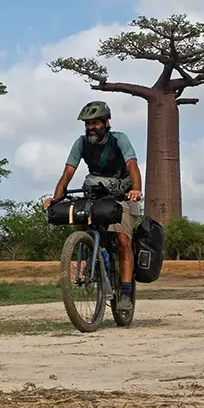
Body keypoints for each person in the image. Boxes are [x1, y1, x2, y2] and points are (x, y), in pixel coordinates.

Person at [44, 100, 143, 313]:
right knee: (78, 217)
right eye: (87, 124)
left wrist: (136, 189)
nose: (90, 127)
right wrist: (56, 198)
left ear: (106, 123)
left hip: (122, 195)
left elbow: (132, 165)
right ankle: (91, 254)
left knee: (123, 238)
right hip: (95, 192)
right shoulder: (81, 143)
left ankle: (125, 292)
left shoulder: (119, 139)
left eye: (95, 123)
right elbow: (68, 172)